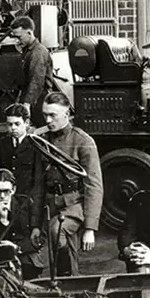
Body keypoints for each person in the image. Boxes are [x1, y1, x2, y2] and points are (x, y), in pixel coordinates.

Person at [42, 92, 103, 276]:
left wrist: (90, 228)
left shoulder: (83, 141)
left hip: (75, 204)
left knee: (57, 229)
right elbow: (38, 184)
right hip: (51, 203)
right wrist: (35, 224)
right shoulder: (42, 140)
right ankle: (64, 283)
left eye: (53, 115)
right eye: (45, 114)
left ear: (66, 115)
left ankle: (68, 282)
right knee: (57, 245)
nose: (48, 120)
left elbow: (94, 185)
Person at [0, 169, 43, 279]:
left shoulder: (26, 204)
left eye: (6, 191)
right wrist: (3, 220)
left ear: (13, 190)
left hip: (23, 255)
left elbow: (39, 238)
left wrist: (17, 247)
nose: (3, 196)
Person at [0, 103, 45, 228]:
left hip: (27, 207)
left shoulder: (35, 147)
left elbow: (38, 185)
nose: (13, 128)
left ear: (26, 123)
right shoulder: (1, 145)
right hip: (3, 203)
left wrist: (35, 225)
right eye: (9, 124)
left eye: (17, 124)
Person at [10, 16, 54, 129]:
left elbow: (36, 81)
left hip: (39, 101)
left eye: (19, 37)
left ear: (29, 33)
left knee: (41, 133)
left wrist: (27, 104)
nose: (17, 41)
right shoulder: (28, 51)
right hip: (31, 98)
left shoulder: (38, 53)